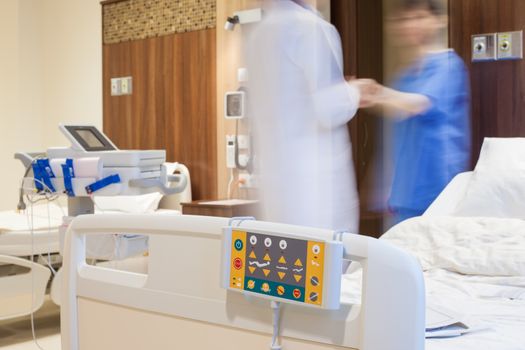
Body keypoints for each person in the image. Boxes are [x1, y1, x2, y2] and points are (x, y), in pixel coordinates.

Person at [244, 0, 374, 231]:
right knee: (328, 261)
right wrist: (355, 91)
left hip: (277, 187)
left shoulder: (257, 36)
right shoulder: (312, 29)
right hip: (316, 188)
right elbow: (331, 109)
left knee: (286, 258)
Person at [368, 0, 471, 224]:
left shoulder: (448, 66)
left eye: (419, 17)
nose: (410, 25)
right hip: (402, 196)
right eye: (404, 19)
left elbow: (417, 104)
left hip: (437, 193)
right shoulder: (404, 77)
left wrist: (373, 92)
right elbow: (394, 133)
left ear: (439, 21)